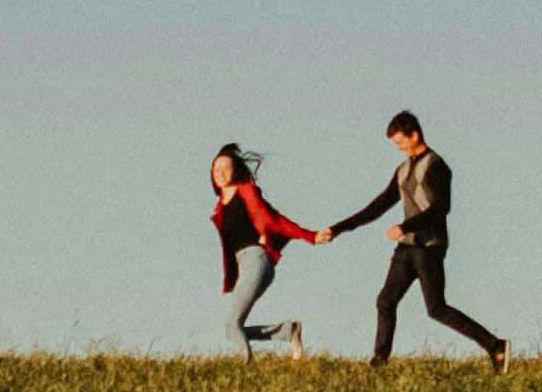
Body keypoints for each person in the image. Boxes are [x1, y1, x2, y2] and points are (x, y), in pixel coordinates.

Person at [331, 109, 510, 368]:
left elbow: (441, 208)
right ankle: (380, 361)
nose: (398, 148)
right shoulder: (402, 170)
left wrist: (406, 226)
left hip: (429, 247)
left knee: (436, 308)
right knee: (385, 301)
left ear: (414, 135)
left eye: (400, 142)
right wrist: (339, 228)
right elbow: (379, 205)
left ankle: (495, 346)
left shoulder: (436, 166)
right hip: (405, 249)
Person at [208, 144, 327, 358]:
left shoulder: (245, 191)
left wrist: (310, 236)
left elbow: (273, 219)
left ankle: (246, 367)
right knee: (232, 328)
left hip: (256, 260)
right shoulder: (219, 208)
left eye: (226, 168)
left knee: (232, 325)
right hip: (246, 265)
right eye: (216, 169)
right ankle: (288, 331)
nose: (221, 173)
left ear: (235, 170)